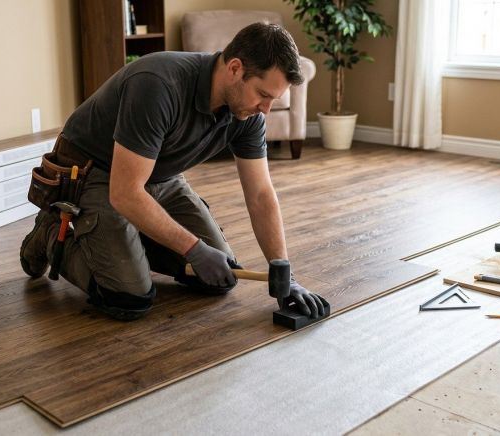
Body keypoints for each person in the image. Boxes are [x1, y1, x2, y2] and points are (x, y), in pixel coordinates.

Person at [20, 22, 327, 321]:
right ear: (235, 69)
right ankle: (49, 233)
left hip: (159, 176)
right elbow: (125, 192)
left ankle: (129, 238)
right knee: (129, 299)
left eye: (273, 100)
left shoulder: (247, 115)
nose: (266, 109)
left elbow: (260, 195)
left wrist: (284, 271)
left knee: (222, 277)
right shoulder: (159, 84)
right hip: (94, 172)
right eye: (263, 95)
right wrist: (193, 248)